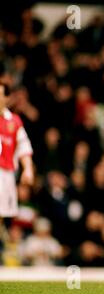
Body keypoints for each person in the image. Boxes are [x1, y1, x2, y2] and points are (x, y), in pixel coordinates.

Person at [0, 81, 34, 241]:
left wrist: (28, 169)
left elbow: (24, 147)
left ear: (6, 97)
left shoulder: (14, 121)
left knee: (3, 214)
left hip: (6, 174)